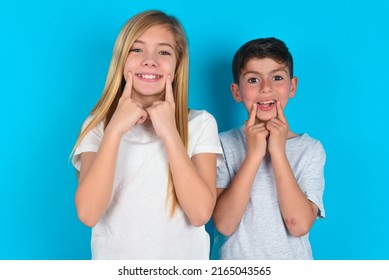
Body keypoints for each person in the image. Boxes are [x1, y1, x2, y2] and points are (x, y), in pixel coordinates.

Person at [71, 10, 222, 260]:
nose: (150, 60)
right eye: (137, 49)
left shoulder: (201, 123)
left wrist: (170, 133)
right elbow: (88, 213)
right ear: (121, 60)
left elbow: (200, 214)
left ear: (177, 63)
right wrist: (115, 130)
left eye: (163, 52)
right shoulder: (98, 126)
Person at [211, 37, 326, 260]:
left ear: (292, 86)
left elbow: (299, 225)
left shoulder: (310, 149)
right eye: (253, 79)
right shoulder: (221, 144)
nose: (266, 88)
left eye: (277, 77)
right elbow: (224, 224)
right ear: (236, 91)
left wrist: (278, 152)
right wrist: (254, 155)